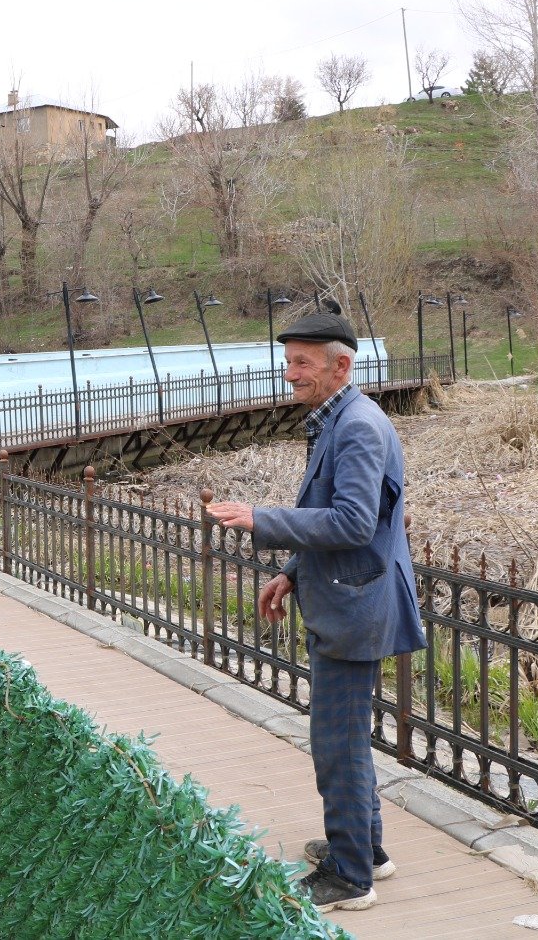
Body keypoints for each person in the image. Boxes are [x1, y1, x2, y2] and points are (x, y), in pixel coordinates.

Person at [206, 312, 424, 913]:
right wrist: (291, 573)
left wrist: (261, 518)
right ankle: (367, 851)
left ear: (341, 365)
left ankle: (350, 878)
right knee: (346, 738)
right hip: (348, 598)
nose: (290, 373)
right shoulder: (341, 419)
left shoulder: (357, 427)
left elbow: (353, 523)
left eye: (302, 363)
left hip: (355, 609)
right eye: (289, 362)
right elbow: (353, 516)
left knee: (337, 745)